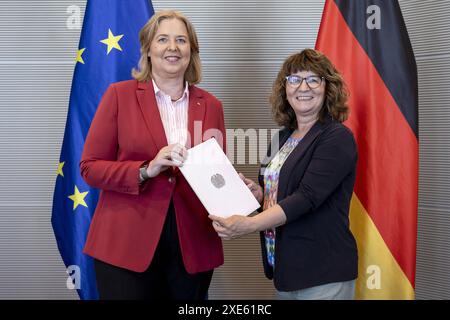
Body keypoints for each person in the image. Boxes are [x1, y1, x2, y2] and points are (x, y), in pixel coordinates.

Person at [80, 10, 226, 300]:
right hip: (125, 245)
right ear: (147, 50)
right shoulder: (119, 95)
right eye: (163, 39)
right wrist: (146, 169)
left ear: (191, 52)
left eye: (181, 40)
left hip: (192, 246)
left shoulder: (211, 105)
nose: (173, 47)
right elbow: (90, 167)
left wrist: (236, 188)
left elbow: (215, 173)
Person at [209, 49, 358, 300]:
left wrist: (249, 224)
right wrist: (259, 194)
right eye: (294, 79)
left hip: (323, 270)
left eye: (313, 79)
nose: (303, 87)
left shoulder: (337, 138)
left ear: (327, 87)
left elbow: (307, 197)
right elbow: (279, 194)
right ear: (285, 89)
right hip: (286, 268)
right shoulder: (282, 137)